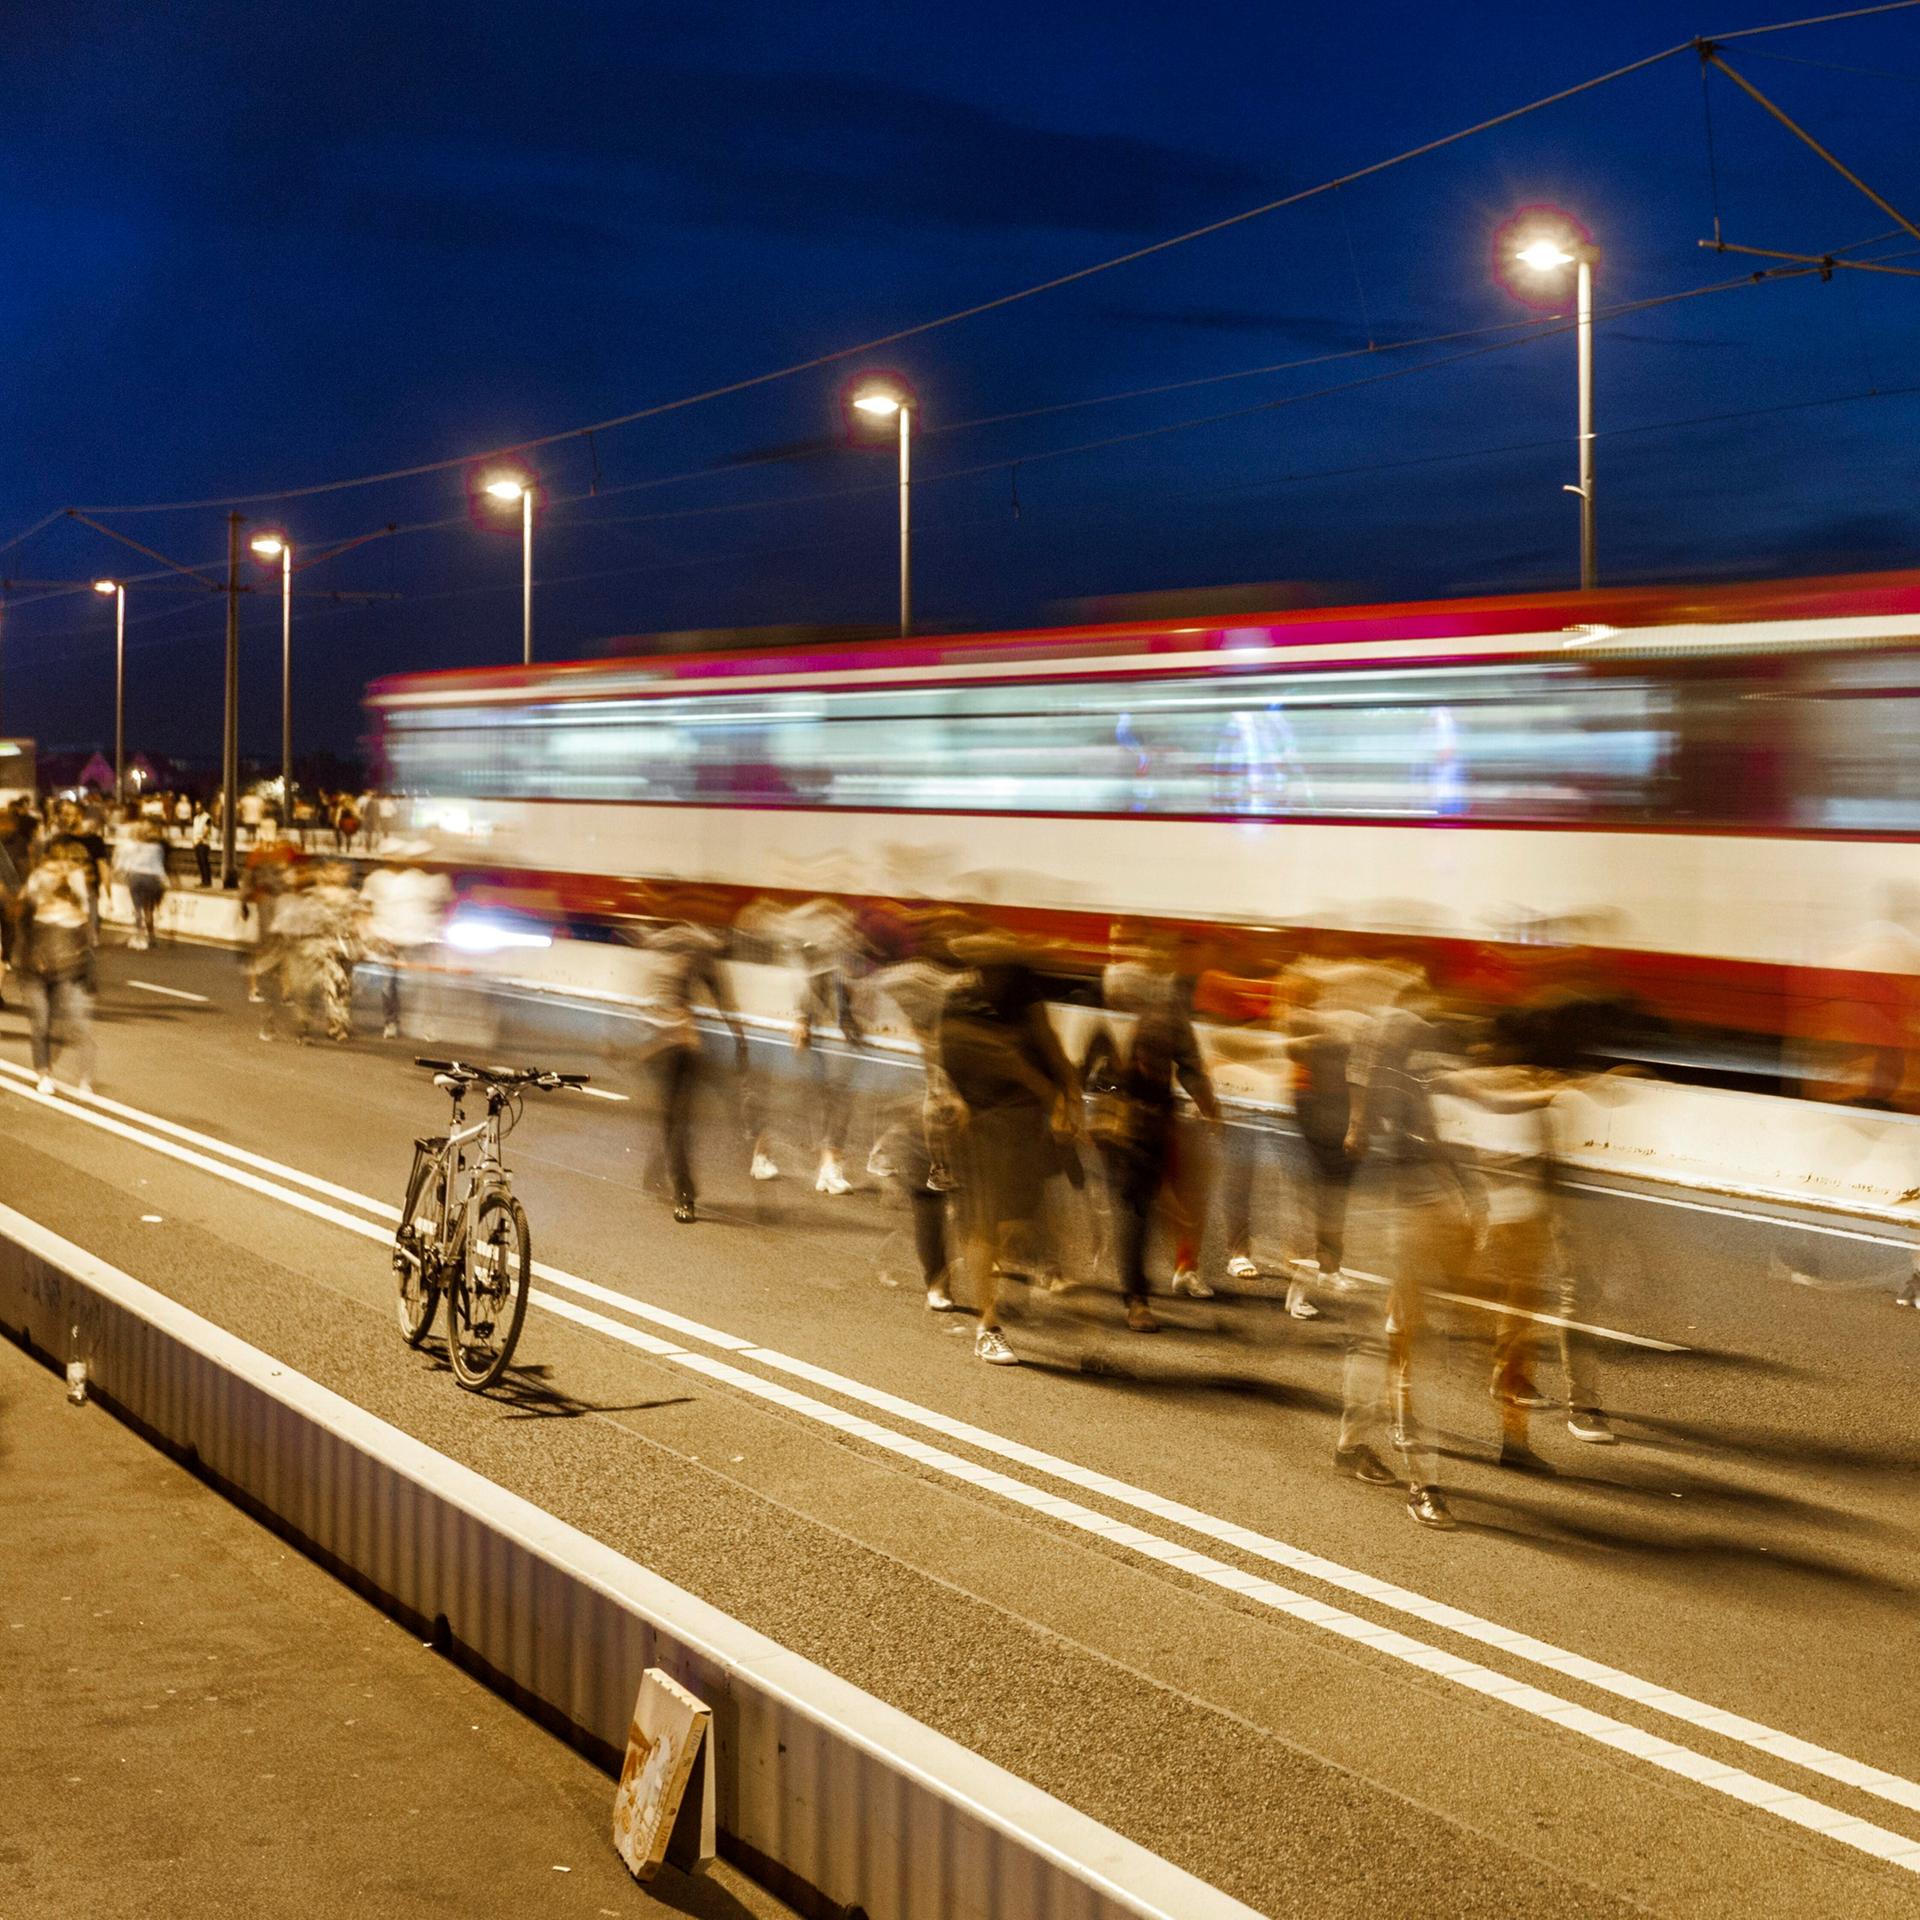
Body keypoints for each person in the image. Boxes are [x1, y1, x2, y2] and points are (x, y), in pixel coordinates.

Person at [1338, 971, 1483, 1531]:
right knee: (1409, 1344)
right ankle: (1424, 1483)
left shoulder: (1420, 1063)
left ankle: (1352, 1444)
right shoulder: (1402, 1042)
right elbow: (1368, 1085)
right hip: (1401, 1212)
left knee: (1388, 1339)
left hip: (1418, 1208)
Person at [937, 930, 1082, 1365]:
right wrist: (955, 1103)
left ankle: (999, 1269)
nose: (993, 974)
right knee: (984, 1226)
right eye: (986, 966)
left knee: (1015, 1223)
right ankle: (988, 1324)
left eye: (1001, 967)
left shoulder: (1022, 997)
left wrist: (1069, 1100)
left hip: (1022, 1126)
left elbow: (1052, 1051)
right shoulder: (960, 1003)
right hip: (979, 1127)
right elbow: (956, 1060)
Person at [1082, 925, 1220, 1333]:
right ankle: (1135, 1296)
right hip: (1127, 1117)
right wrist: (1212, 1110)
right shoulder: (1130, 987)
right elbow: (1189, 1066)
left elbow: (1189, 1064)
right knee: (1135, 1207)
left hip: (1143, 1117)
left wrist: (1211, 1108)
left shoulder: (1141, 994)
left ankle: (1136, 1281)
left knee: (1140, 1205)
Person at [629, 921, 747, 1223]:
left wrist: (738, 1035)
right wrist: (738, 1036)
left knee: (676, 1119)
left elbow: (721, 996)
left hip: (679, 1046)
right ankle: (675, 1184)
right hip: (661, 1046)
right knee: (673, 1119)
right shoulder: (689, 946)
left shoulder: (686, 948)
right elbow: (722, 997)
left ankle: (679, 1186)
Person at [12, 842, 97, 1095]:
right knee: (41, 1022)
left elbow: (87, 949)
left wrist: (88, 978)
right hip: (33, 973)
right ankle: (44, 1074)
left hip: (67, 973)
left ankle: (85, 1079)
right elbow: (22, 934)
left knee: (76, 1025)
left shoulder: (77, 915)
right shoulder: (31, 908)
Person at [358, 864, 449, 1038]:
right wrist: (373, 934)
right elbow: (365, 907)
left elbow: (440, 906)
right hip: (388, 939)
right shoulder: (378, 878)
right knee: (388, 984)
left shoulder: (423, 879)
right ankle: (391, 1022)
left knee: (425, 984)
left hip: (419, 940)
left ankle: (429, 1024)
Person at [116, 819, 169, 951]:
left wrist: (121, 873)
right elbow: (159, 866)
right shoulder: (156, 847)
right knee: (149, 909)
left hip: (135, 877)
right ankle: (151, 936)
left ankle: (139, 936)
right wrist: (164, 879)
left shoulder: (130, 846)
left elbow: (123, 864)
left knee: (137, 908)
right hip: (151, 878)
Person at [190, 804, 213, 887]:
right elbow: (195, 830)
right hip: (196, 842)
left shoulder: (207, 817)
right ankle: (203, 881)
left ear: (203, 808)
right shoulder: (196, 818)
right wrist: (193, 841)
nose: (197, 809)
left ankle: (207, 882)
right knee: (200, 863)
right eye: (196, 808)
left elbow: (207, 829)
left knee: (204, 862)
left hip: (204, 843)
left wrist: (200, 839)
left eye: (199, 808)